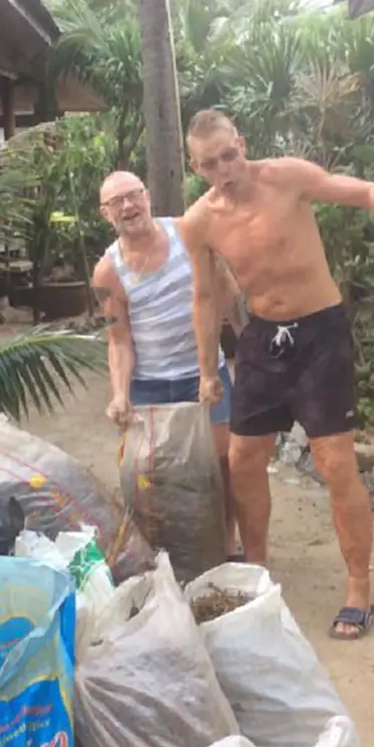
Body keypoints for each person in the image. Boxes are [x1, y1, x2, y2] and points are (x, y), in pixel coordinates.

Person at [178, 109, 374, 640]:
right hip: (264, 338)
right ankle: (260, 573)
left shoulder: (285, 176)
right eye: (210, 163)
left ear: (240, 143)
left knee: (335, 463)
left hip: (320, 333)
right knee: (243, 458)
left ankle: (358, 585)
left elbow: (362, 191)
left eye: (229, 154)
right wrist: (207, 369)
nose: (225, 168)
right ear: (196, 166)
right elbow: (205, 296)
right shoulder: (199, 222)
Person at [91, 170, 248, 559]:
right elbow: (119, 338)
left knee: (224, 462)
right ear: (105, 213)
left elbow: (227, 290)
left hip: (203, 372)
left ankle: (225, 545)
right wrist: (119, 393)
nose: (128, 206)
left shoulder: (187, 234)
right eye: (117, 202)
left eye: (134, 195)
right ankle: (162, 550)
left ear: (148, 196)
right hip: (150, 383)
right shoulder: (108, 272)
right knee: (149, 474)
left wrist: (252, 349)